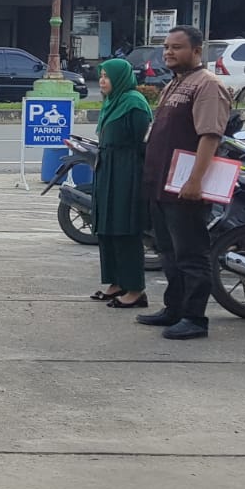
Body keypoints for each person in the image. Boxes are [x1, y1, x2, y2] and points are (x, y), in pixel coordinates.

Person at [137, 25, 233, 340]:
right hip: (160, 184)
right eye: (166, 47)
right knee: (168, 251)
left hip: (185, 186)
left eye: (177, 47)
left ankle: (194, 317)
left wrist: (195, 181)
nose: (169, 52)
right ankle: (173, 309)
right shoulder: (175, 84)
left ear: (196, 51)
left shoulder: (206, 85)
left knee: (191, 254)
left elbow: (210, 135)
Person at [90, 58, 154, 310]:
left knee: (125, 228)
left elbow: (144, 143)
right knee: (106, 227)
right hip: (108, 169)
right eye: (101, 75)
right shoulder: (111, 103)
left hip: (127, 172)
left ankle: (136, 290)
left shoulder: (134, 103)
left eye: (107, 76)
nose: (103, 81)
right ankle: (116, 283)